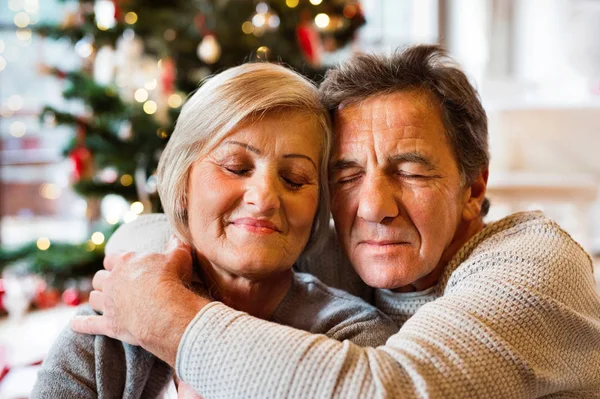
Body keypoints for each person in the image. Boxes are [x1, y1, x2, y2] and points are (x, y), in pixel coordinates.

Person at [72, 45, 600, 398]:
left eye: (411, 171)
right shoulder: (348, 248)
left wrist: (167, 317)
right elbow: (184, 228)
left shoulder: (533, 267)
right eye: (345, 176)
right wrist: (144, 260)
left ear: (474, 187)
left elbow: (382, 389)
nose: (374, 207)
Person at [31, 62, 397, 399]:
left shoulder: (358, 339)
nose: (265, 198)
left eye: (294, 178)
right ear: (183, 183)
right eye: (236, 167)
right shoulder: (111, 322)